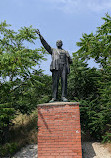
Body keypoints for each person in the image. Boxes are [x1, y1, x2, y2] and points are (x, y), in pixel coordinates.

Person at [36, 29, 72, 102]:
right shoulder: (53, 50)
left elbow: (70, 61)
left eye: (60, 42)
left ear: (62, 44)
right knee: (55, 82)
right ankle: (54, 97)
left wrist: (69, 58)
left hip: (64, 67)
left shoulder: (65, 52)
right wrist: (40, 36)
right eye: (57, 42)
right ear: (56, 44)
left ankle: (63, 96)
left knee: (64, 82)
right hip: (56, 67)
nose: (58, 43)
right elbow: (46, 45)